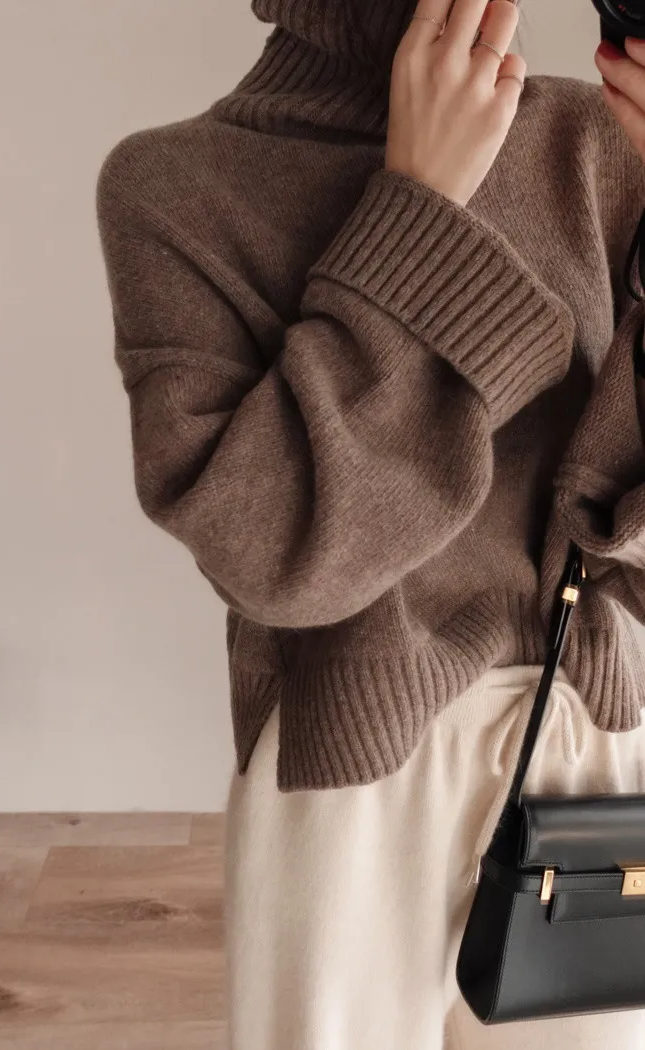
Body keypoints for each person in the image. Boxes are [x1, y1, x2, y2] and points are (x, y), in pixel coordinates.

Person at [96, 0, 645, 1046]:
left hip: (585, 746)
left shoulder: (592, 144)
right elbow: (277, 556)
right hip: (342, 782)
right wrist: (418, 211)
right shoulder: (174, 186)